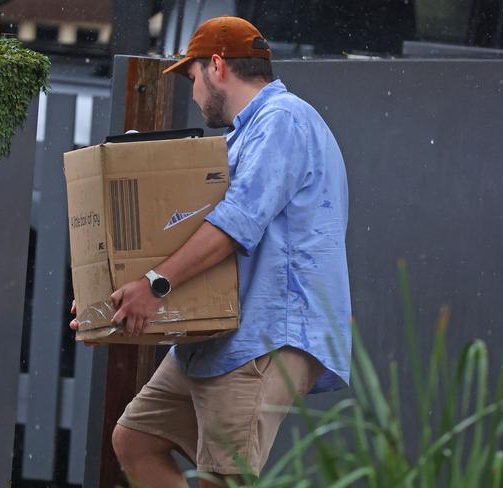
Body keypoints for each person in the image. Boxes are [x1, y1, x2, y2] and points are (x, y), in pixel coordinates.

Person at [70, 15, 352, 488]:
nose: (193, 91)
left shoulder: (283, 121)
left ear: (217, 66)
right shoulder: (242, 135)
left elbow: (234, 225)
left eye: (191, 75)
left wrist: (154, 285)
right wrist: (112, 298)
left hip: (264, 338)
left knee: (221, 480)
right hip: (217, 339)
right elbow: (178, 235)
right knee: (135, 440)